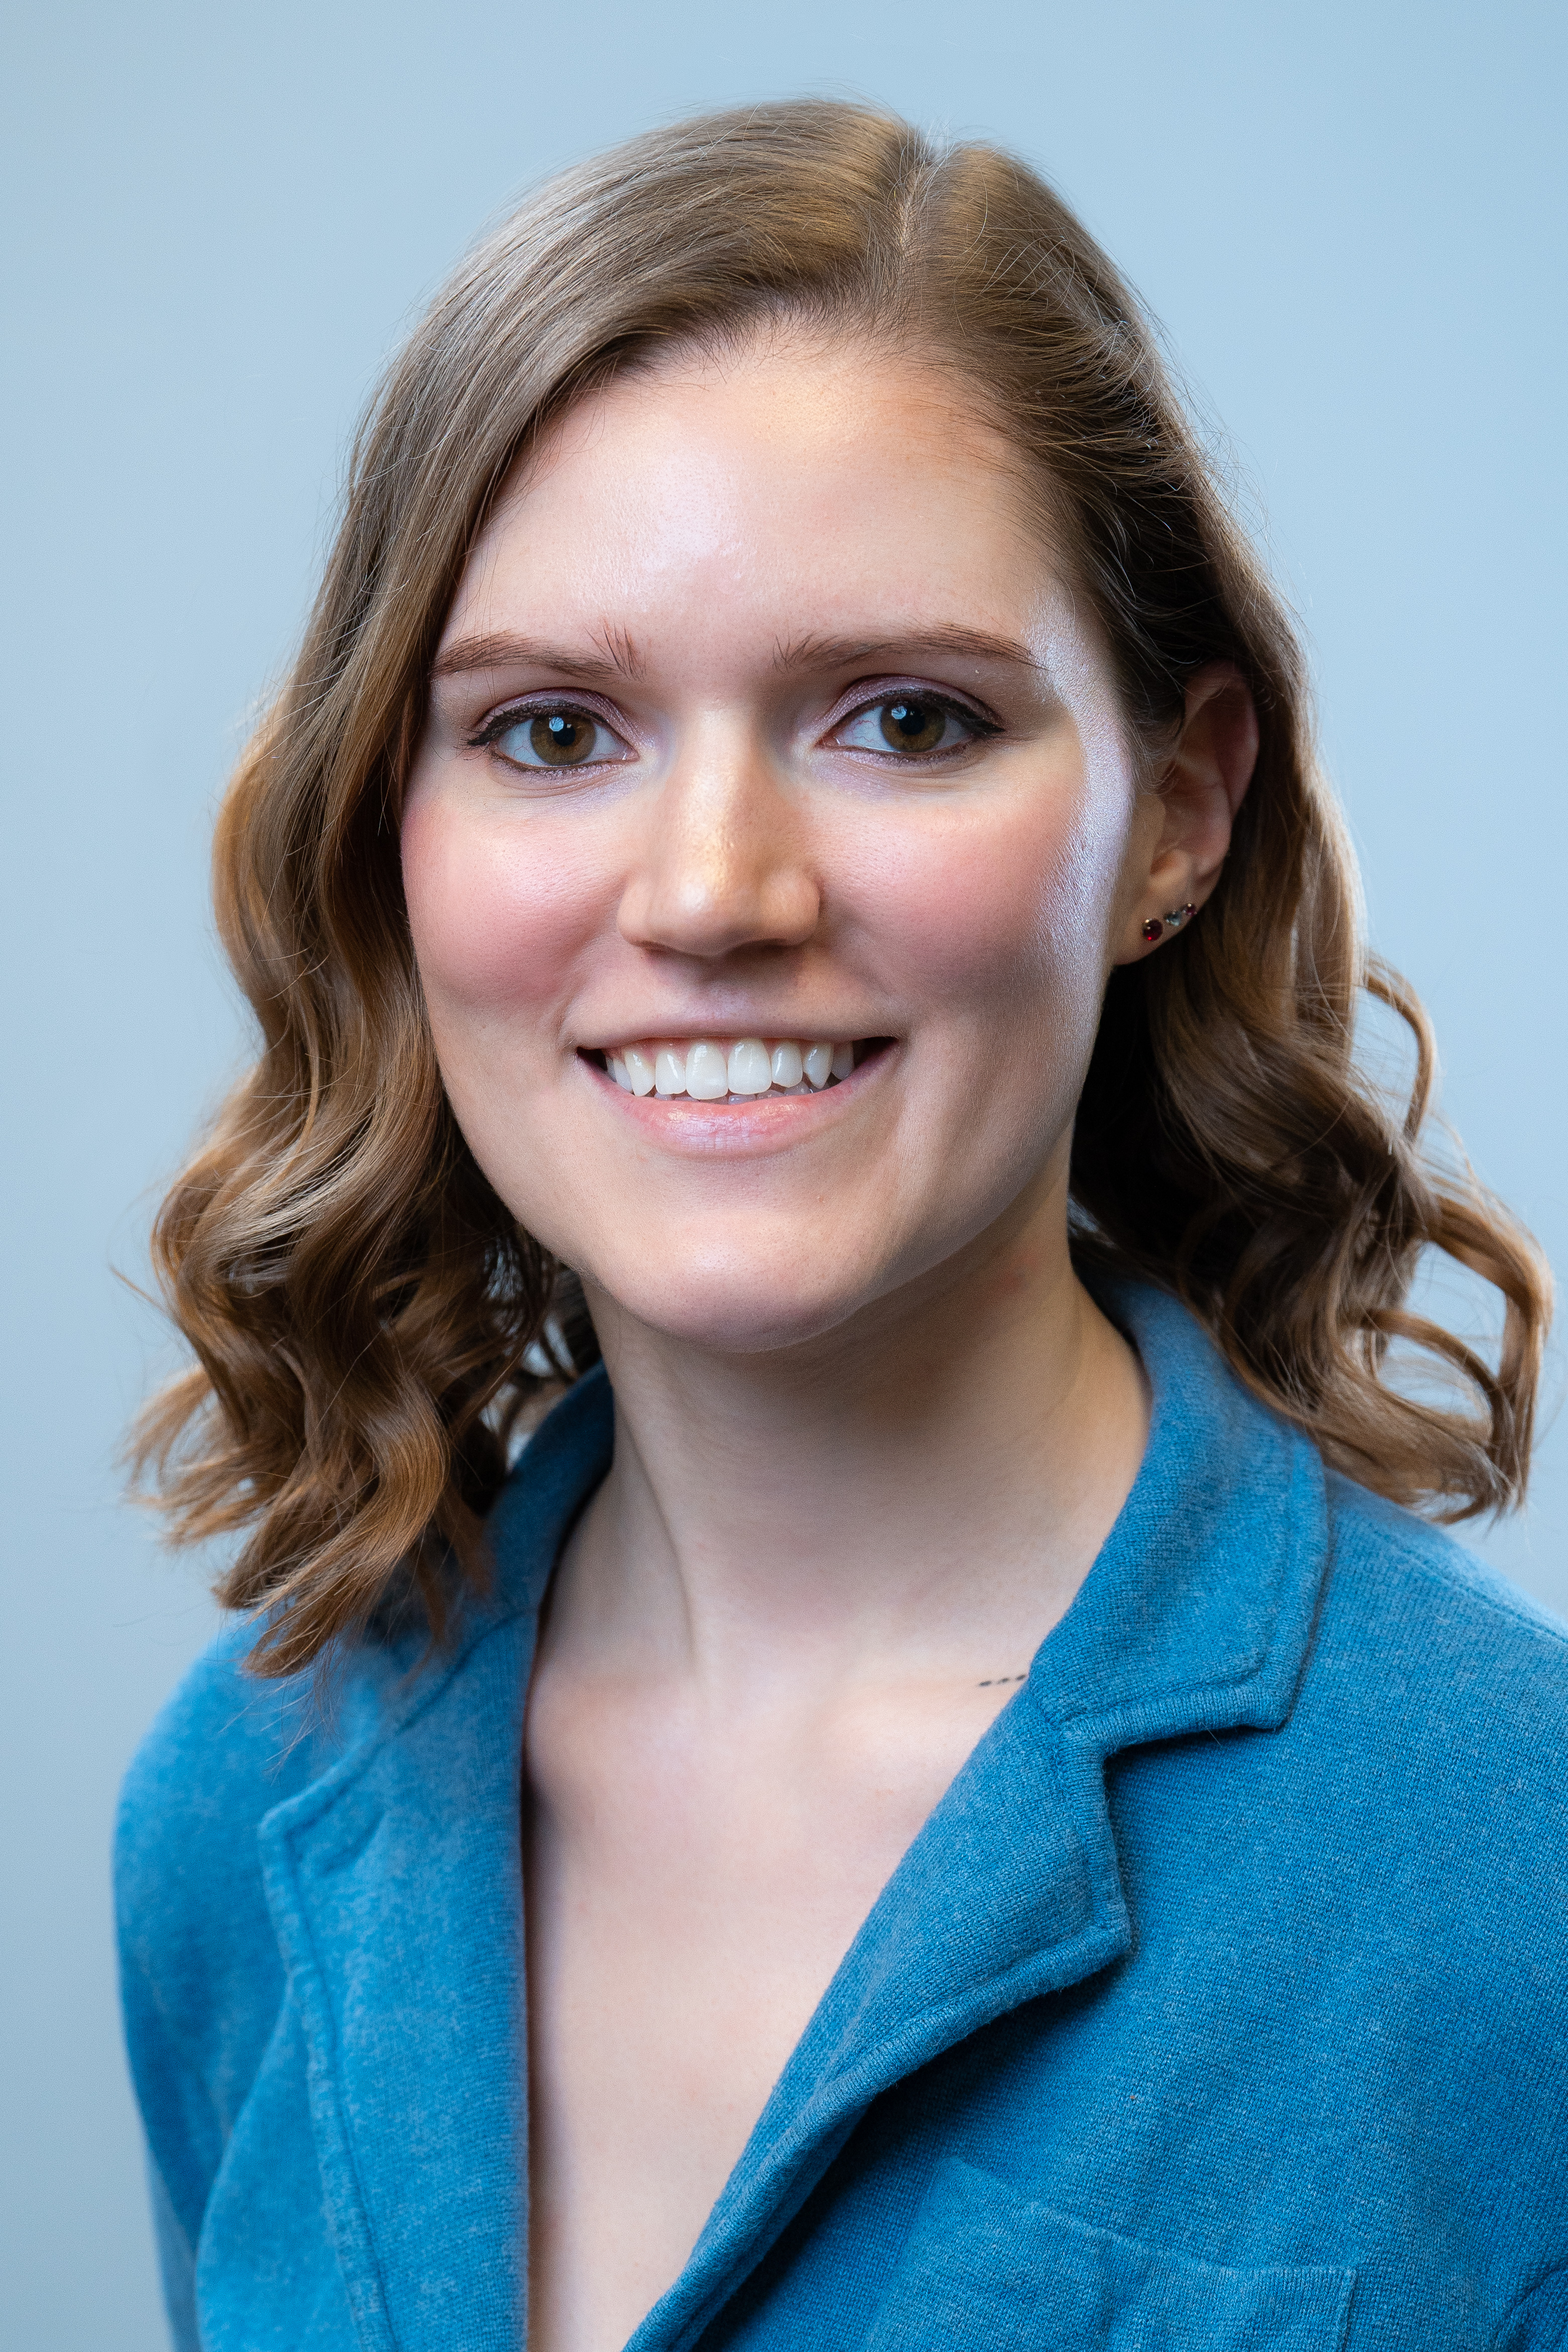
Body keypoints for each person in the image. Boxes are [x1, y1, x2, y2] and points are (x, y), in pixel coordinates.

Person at [115, 100, 1566, 2352]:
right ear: (384, 828)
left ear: (1177, 810)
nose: (712, 891)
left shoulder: (1518, 1891)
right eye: (551, 730)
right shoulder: (245, 1805)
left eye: (902, 718)